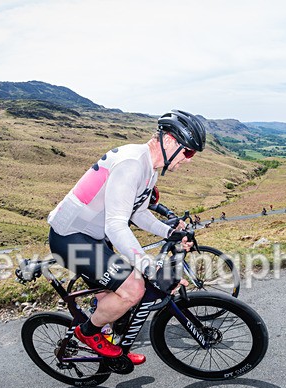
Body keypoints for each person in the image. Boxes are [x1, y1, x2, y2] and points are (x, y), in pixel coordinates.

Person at [47, 109, 203, 364]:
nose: (188, 160)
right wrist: (147, 265)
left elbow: (139, 213)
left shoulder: (149, 169)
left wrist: (170, 232)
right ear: (170, 140)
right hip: (70, 238)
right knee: (133, 288)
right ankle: (87, 334)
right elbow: (117, 226)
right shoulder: (132, 164)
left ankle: (107, 339)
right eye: (188, 152)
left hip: (93, 237)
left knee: (115, 296)